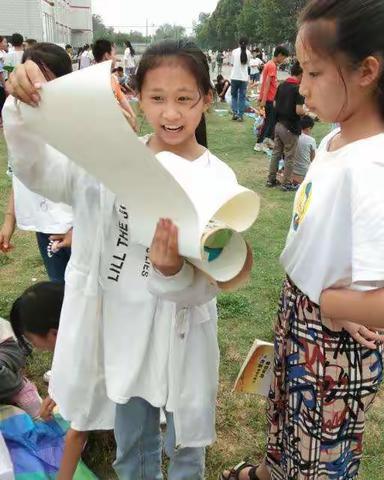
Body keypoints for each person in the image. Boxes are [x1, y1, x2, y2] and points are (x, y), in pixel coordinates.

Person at [5, 38, 249, 480]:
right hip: (126, 334)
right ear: (138, 96)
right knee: (132, 448)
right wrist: (22, 110)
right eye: (157, 98)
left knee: (186, 452)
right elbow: (41, 173)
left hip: (183, 335)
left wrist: (173, 271)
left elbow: (216, 275)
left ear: (207, 100)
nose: (170, 113)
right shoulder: (112, 161)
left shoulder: (219, 178)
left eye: (184, 99)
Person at [222, 0, 384, 479]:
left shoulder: (371, 166)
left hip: (328, 344)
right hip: (302, 316)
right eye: (301, 70)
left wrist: (338, 303)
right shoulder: (335, 142)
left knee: (317, 463)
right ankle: (269, 472)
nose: (300, 85)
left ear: (367, 71)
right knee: (284, 421)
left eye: (314, 72)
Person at [0, 43, 74, 283]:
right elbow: (21, 173)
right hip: (46, 227)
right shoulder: (21, 118)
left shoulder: (76, 120)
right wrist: (9, 221)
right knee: (59, 289)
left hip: (76, 226)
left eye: (46, 81)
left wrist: (79, 228)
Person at [9, 282, 89, 480]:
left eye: (30, 338)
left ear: (54, 333)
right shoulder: (80, 330)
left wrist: (63, 476)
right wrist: (55, 394)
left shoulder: (88, 364)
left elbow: (78, 434)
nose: (33, 345)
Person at [266, 61, 306, 191]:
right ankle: (286, 183)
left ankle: (271, 179)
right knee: (289, 156)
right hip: (290, 127)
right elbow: (299, 111)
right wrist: (308, 112)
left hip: (278, 125)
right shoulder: (298, 89)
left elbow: (275, 104)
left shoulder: (282, 86)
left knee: (276, 153)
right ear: (301, 74)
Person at [93, 39, 137, 131]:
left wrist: (133, 115)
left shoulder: (112, 78)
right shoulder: (95, 78)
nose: (115, 58)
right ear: (107, 56)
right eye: (114, 54)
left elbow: (121, 98)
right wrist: (128, 117)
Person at [254, 45, 289, 153]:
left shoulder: (270, 64)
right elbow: (267, 84)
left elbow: (265, 82)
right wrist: (263, 100)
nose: (283, 61)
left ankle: (268, 139)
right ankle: (259, 143)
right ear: (279, 55)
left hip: (270, 98)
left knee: (272, 120)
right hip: (269, 99)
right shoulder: (272, 66)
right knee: (268, 121)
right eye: (284, 58)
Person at [230, 37, 252, 121]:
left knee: (234, 96)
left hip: (234, 77)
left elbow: (232, 64)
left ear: (238, 43)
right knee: (242, 97)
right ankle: (240, 115)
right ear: (247, 44)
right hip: (244, 78)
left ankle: (235, 113)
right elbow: (248, 64)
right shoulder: (249, 53)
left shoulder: (234, 51)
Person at [292, 115, 316, 185]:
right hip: (304, 172)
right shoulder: (311, 140)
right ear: (308, 128)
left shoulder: (293, 137)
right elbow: (313, 159)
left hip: (291, 169)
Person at [0, 35, 8, 128]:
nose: (6, 44)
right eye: (4, 42)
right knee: (2, 102)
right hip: (2, 82)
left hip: (5, 80)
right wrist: (4, 85)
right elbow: (1, 71)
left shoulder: (4, 53)